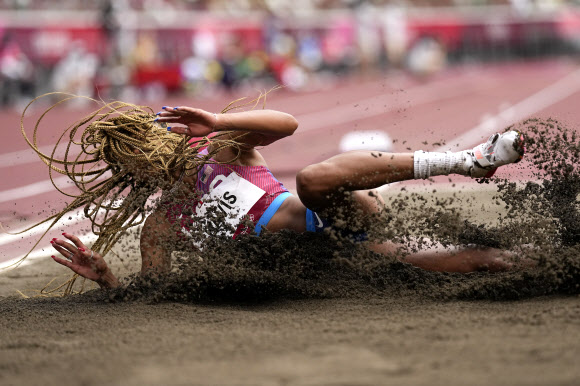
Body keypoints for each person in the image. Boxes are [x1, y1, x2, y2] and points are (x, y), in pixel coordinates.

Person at [48, 102, 525, 290]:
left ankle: (467, 160)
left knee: (313, 180)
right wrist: (108, 278)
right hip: (329, 263)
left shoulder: (221, 147)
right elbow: (152, 294)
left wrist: (219, 121)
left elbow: (288, 124)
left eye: (144, 148)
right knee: (479, 262)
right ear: (134, 175)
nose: (148, 163)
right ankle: (543, 263)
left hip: (332, 219)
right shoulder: (161, 225)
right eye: (134, 164)